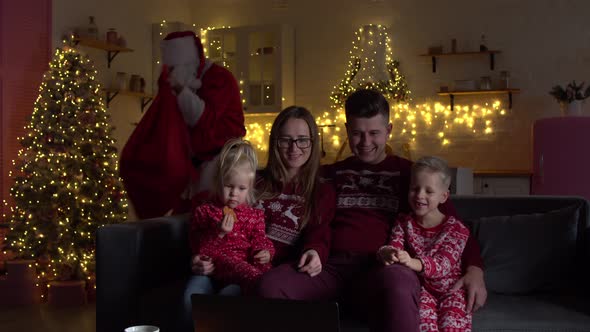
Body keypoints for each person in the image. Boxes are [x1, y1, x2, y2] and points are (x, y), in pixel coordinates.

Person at [257, 89, 487, 332]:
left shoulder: (410, 175)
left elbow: (452, 226)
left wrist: (475, 270)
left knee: (399, 279)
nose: (366, 143)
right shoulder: (329, 174)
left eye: (374, 133)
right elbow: (299, 204)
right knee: (271, 285)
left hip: (381, 270)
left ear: (388, 130)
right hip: (329, 269)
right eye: (357, 134)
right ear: (347, 130)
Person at [182, 106, 336, 331]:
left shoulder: (321, 191)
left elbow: (319, 234)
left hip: (263, 272)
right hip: (221, 260)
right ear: (275, 142)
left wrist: (314, 252)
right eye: (286, 140)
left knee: (232, 301)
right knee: (193, 297)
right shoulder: (255, 181)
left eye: (302, 140)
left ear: (313, 142)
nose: (294, 148)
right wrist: (197, 256)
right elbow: (210, 211)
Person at [121, 30, 245, 219]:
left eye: (173, 69)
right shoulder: (178, 82)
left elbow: (204, 119)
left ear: (186, 64)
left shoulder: (219, 79)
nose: (169, 74)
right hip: (193, 166)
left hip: (221, 163)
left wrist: (180, 91)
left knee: (211, 219)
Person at [378, 156, 471, 332]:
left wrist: (413, 262)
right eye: (415, 188)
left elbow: (444, 264)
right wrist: (388, 253)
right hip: (423, 291)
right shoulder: (403, 222)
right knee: (423, 325)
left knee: (452, 326)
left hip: (452, 291)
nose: (420, 195)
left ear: (444, 196)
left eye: (429, 191)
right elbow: (395, 244)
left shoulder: (457, 229)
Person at [189, 138, 274, 294]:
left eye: (241, 188)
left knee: (246, 283)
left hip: (242, 269)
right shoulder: (204, 212)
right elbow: (199, 249)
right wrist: (219, 232)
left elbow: (260, 238)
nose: (234, 193)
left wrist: (265, 251)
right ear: (218, 183)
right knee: (191, 294)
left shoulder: (254, 215)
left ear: (249, 189)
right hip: (214, 268)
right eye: (229, 186)